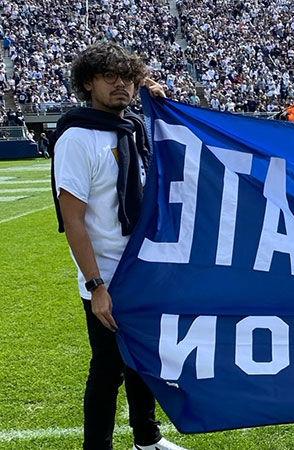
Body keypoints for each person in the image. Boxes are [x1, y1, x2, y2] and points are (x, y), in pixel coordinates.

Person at [51, 42, 185, 450]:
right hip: (107, 275)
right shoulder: (76, 138)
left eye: (127, 78)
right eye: (110, 77)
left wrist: (158, 98)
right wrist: (96, 286)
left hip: (143, 268)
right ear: (88, 83)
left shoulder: (134, 127)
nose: (120, 85)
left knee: (143, 362)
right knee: (108, 371)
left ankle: (147, 438)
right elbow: (73, 219)